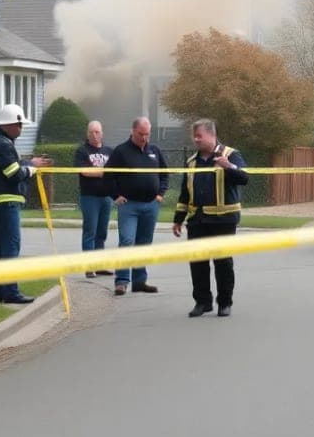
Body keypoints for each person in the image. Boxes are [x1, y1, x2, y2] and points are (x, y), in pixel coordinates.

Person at [171, 119, 248, 318]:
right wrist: (178, 219)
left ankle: (224, 303)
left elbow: (244, 178)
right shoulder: (191, 162)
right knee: (197, 263)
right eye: (194, 136)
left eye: (199, 136)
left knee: (223, 263)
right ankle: (202, 302)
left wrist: (228, 166)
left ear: (211, 135)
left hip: (224, 220)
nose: (196, 140)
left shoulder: (231, 154)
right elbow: (184, 193)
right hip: (197, 220)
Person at [0, 103, 52, 304]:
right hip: (6, 202)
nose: (21, 129)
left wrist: (29, 162)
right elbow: (15, 174)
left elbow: (13, 166)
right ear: (8, 124)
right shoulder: (3, 145)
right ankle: (11, 292)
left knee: (0, 248)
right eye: (18, 125)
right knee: (11, 247)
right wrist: (33, 168)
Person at [105, 117, 168, 296]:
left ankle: (140, 281)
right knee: (127, 241)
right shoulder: (121, 151)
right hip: (129, 206)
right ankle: (122, 281)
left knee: (144, 243)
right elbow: (108, 176)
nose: (144, 138)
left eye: (147, 134)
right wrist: (115, 196)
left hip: (151, 205)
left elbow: (165, 174)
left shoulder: (154, 151)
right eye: (141, 134)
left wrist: (160, 194)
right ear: (133, 131)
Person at [75, 120, 114, 278]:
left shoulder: (109, 151)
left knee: (101, 232)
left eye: (97, 132)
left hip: (106, 197)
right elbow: (84, 171)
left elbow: (116, 171)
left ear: (102, 133)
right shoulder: (82, 151)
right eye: (91, 132)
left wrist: (99, 171)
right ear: (87, 134)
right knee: (90, 231)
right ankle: (89, 266)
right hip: (89, 197)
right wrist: (105, 172)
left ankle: (99, 265)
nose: (94, 135)